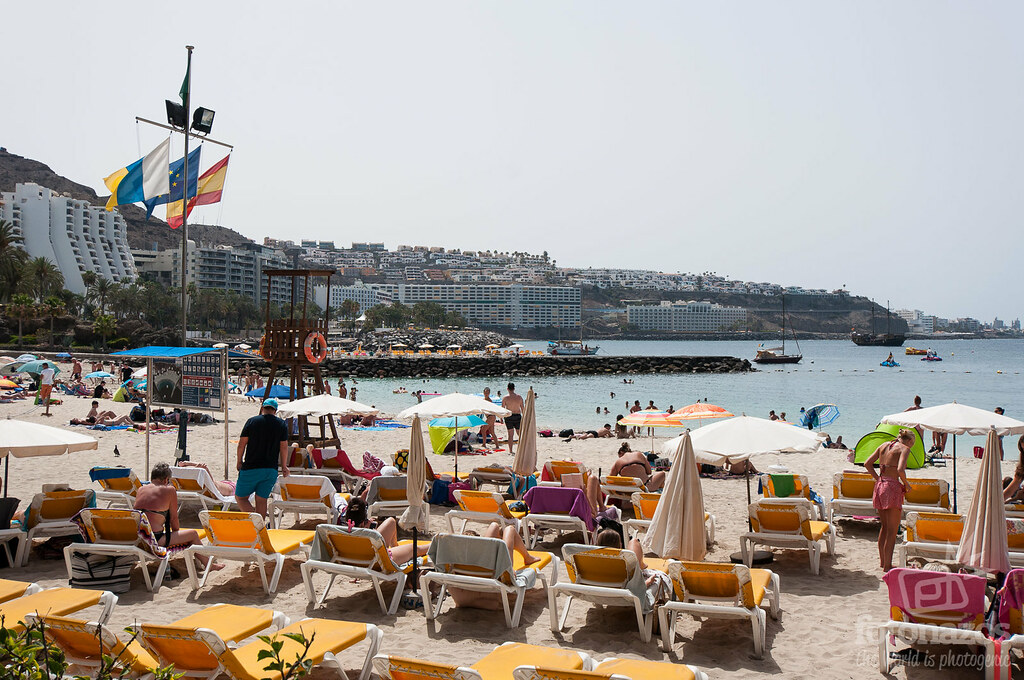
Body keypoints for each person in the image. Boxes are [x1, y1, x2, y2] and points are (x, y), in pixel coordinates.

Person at [133, 462, 222, 573]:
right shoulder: (169, 490)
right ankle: (208, 564)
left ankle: (207, 563)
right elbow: (174, 519)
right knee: (193, 534)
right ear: (166, 479)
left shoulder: (141, 489)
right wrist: (177, 535)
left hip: (139, 537)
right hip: (155, 540)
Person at [865, 429, 913, 571]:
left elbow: (867, 464)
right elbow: (900, 470)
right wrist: (906, 484)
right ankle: (887, 565)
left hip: (880, 485)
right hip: (892, 487)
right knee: (892, 530)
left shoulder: (884, 445)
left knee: (884, 527)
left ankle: (882, 562)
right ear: (910, 441)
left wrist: (878, 478)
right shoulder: (905, 448)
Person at [235, 398, 290, 517]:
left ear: (262, 408)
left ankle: (256, 523)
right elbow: (284, 447)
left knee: (240, 497)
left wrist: (239, 461)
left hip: (251, 466)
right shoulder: (281, 424)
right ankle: (260, 529)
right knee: (261, 499)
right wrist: (284, 466)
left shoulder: (252, 421)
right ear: (275, 411)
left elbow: (242, 444)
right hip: (270, 469)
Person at [343, 498, 429, 565]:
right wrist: (369, 530)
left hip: (355, 561)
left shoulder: (342, 533)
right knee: (414, 548)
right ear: (362, 523)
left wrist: (365, 529)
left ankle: (395, 546)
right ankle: (435, 544)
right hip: (378, 562)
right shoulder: (369, 535)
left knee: (391, 521)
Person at [501, 382, 524, 453]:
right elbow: (523, 408)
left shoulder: (505, 398)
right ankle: (521, 449)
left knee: (510, 435)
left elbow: (502, 409)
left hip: (508, 417)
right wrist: (525, 417)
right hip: (517, 416)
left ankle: (510, 451)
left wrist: (501, 418)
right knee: (519, 434)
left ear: (507, 389)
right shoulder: (519, 397)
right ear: (514, 388)